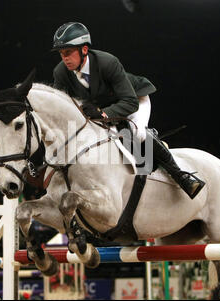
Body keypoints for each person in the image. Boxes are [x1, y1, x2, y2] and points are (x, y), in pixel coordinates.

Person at [51, 22, 205, 199]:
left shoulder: (107, 62)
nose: (64, 58)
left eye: (68, 52)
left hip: (134, 100)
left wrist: (103, 113)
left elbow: (130, 102)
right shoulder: (60, 73)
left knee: (136, 134)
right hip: (101, 110)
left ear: (84, 50)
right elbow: (62, 107)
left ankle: (182, 177)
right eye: (62, 54)